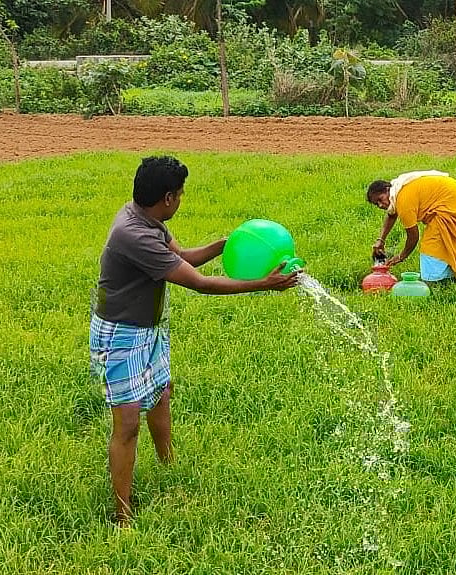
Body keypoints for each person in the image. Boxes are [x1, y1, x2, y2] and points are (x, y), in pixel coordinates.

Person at [90, 156, 299, 525]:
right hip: (122, 334)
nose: (182, 200)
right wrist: (262, 285)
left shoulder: (146, 217)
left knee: (160, 391)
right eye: (181, 194)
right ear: (168, 197)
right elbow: (199, 283)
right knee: (126, 424)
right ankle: (121, 515)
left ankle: (167, 465)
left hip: (149, 327)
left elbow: (183, 258)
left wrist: (228, 243)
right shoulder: (134, 234)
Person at [367, 170, 456, 282]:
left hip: (452, 205)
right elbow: (391, 214)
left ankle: (434, 280)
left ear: (387, 190)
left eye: (380, 199)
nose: (381, 205)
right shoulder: (398, 189)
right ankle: (449, 276)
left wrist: (401, 256)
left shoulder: (403, 201)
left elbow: (413, 236)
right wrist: (380, 240)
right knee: (442, 243)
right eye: (377, 204)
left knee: (431, 246)